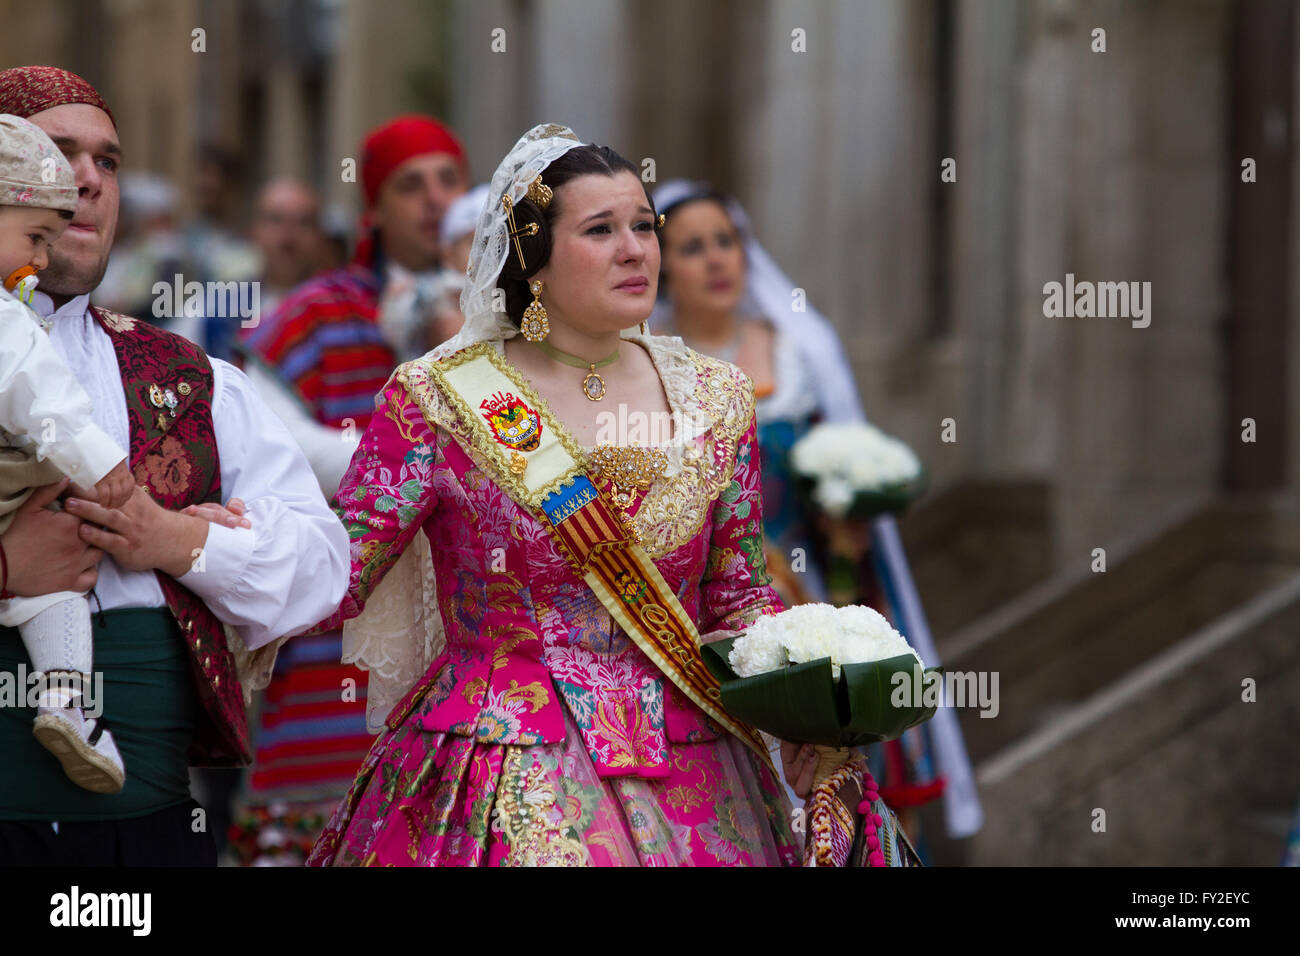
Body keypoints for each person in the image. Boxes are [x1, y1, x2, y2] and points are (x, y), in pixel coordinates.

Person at [301, 124, 915, 866]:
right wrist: (207, 547)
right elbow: (339, 572)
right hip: (504, 763)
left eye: (643, 227)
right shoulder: (438, 398)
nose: (636, 249)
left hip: (696, 759)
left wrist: (813, 698)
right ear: (534, 259)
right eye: (600, 230)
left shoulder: (716, 397)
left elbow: (738, 597)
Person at [0, 66, 349, 867]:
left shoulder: (195, 380)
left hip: (148, 837)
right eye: (58, 152)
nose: (86, 179)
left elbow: (323, 565)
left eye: (108, 162)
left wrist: (178, 544)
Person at [651, 179, 984, 847]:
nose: (717, 259)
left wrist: (847, 520)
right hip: (689, 608)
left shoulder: (799, 352)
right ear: (661, 267)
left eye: (727, 241)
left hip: (805, 595)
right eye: (692, 248)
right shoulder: (645, 366)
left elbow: (835, 452)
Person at [0, 113, 135, 793]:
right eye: (34, 237)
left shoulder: (185, 375)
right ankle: (66, 701)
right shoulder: (9, 323)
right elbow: (49, 404)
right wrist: (104, 467)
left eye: (107, 162)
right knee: (51, 587)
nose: (42, 259)